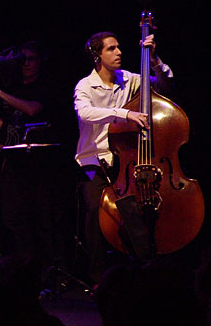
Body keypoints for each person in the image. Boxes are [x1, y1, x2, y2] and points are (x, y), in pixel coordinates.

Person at [73, 31, 173, 283]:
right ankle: (98, 278)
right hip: (95, 160)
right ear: (97, 55)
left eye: (118, 47)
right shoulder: (85, 86)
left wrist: (154, 59)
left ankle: (144, 271)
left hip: (127, 159)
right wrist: (125, 114)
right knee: (95, 211)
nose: (119, 52)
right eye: (111, 48)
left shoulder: (129, 79)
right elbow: (85, 113)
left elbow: (163, 86)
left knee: (141, 210)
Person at [0, 41, 61, 265]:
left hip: (39, 164)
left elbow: (32, 109)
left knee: (44, 220)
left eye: (31, 59)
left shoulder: (46, 86)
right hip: (13, 163)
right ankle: (24, 267)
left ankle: (51, 269)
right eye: (22, 59)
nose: (26, 63)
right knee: (15, 220)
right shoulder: (11, 87)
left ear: (40, 61)